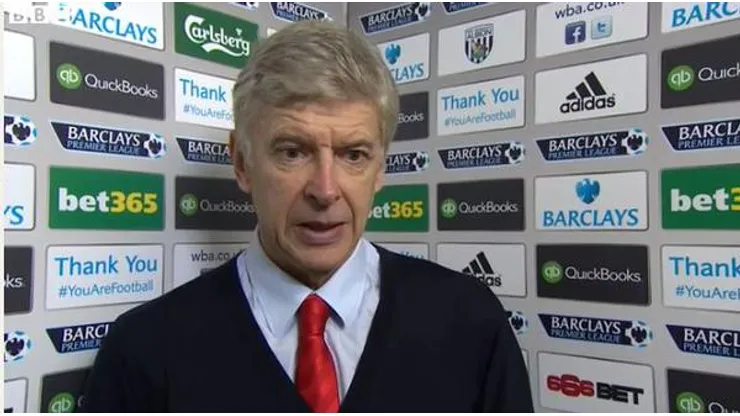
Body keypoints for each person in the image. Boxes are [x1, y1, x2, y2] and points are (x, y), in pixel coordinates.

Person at [80, 20, 533, 412]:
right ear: (242, 163)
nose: (325, 190)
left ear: (380, 169)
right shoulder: (143, 350)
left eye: (353, 155)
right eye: (293, 152)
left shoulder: (471, 322)